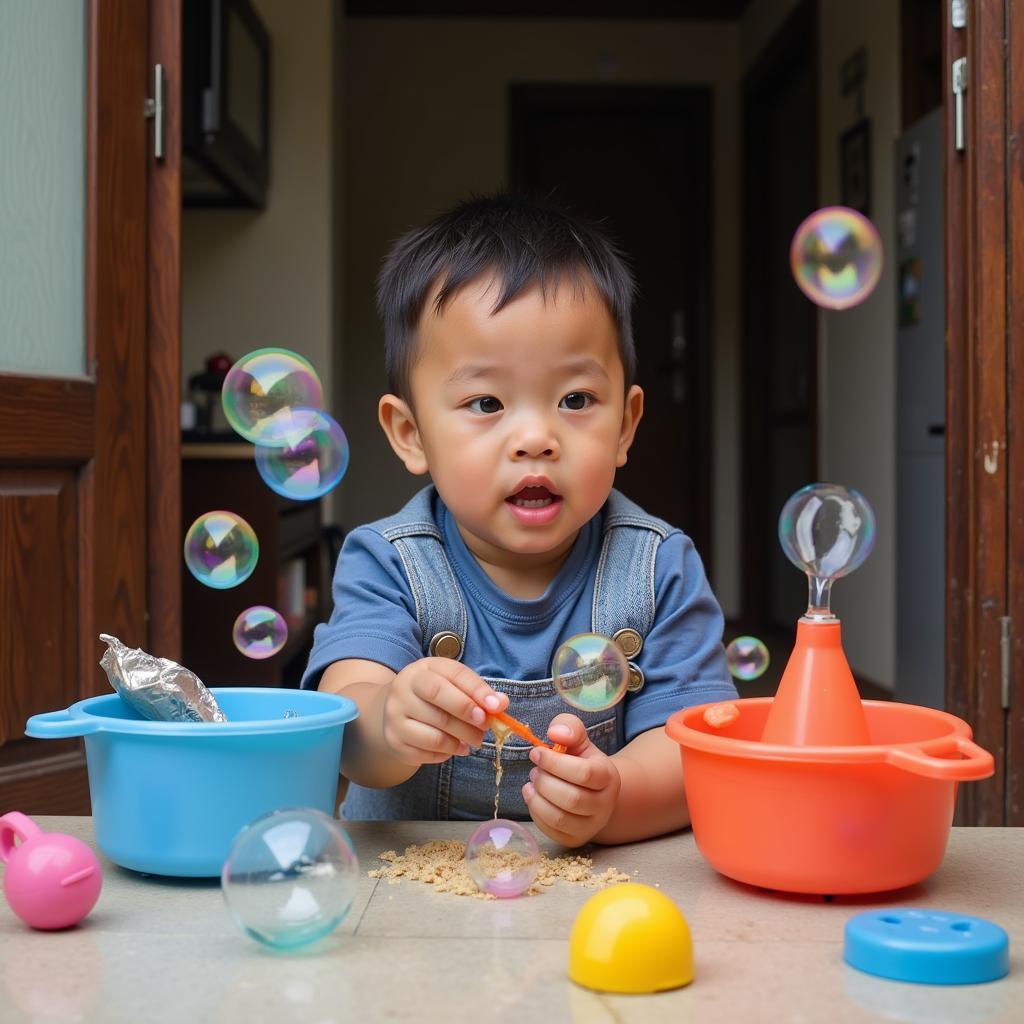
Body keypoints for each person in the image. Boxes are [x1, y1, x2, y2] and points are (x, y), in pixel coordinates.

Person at [301, 194, 737, 846]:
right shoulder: (390, 562)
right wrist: (392, 721)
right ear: (410, 432)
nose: (535, 436)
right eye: (486, 402)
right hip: (404, 903)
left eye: (575, 399)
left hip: (585, 903)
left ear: (626, 425)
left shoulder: (657, 568)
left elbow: (692, 753)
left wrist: (614, 800)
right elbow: (347, 724)